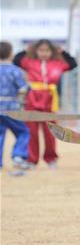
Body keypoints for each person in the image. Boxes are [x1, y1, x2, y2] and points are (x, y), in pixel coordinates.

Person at [13, 39, 78, 168]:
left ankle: (51, 159)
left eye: (47, 50)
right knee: (32, 131)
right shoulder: (29, 62)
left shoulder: (58, 63)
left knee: (50, 132)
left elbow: (73, 64)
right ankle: (31, 160)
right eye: (41, 50)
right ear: (36, 51)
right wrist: (26, 50)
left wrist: (63, 52)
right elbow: (16, 60)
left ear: (52, 51)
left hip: (50, 100)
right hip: (32, 99)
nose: (44, 53)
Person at [0, 41, 31, 172]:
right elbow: (23, 88)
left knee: (0, 134)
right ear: (11, 54)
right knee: (23, 132)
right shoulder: (15, 71)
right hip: (11, 108)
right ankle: (18, 156)